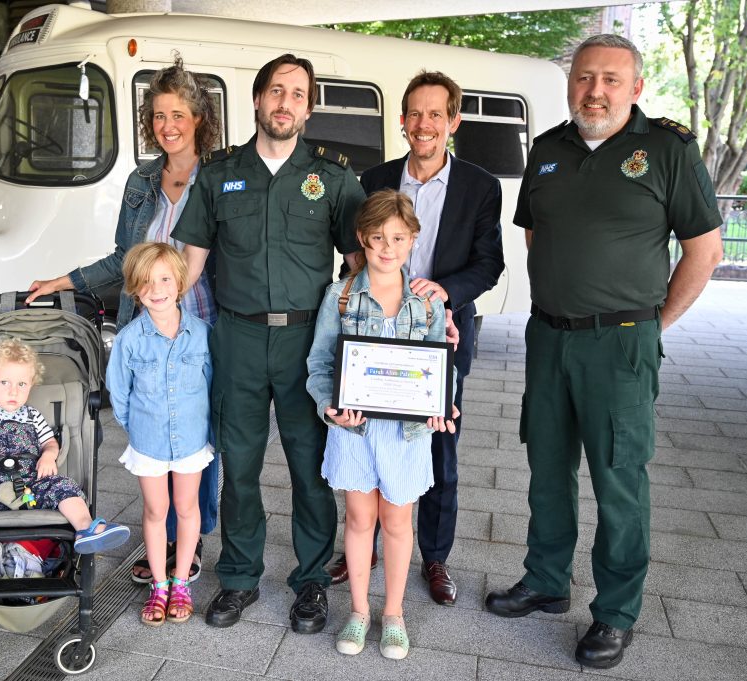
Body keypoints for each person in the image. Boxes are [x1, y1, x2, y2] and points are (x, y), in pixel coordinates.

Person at [484, 34, 723, 669]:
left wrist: (650, 325)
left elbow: (705, 251)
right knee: (548, 468)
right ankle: (546, 581)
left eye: (612, 79)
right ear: (571, 84)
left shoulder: (668, 150)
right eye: (586, 77)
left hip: (622, 344)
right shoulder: (547, 150)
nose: (596, 90)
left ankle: (616, 613)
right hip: (548, 336)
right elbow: (536, 234)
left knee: (619, 479)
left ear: (637, 88)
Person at [171, 54, 366, 633]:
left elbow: (361, 267)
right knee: (242, 465)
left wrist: (401, 319)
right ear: (257, 100)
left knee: (311, 467)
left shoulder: (333, 178)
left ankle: (310, 581)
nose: (285, 102)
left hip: (309, 341)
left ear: (308, 108)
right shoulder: (218, 174)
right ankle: (237, 577)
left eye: (298, 94)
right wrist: (160, 325)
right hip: (237, 336)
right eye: (276, 91)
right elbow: (190, 265)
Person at [27, 56, 220, 585]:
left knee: (202, 437)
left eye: (178, 114)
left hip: (205, 325)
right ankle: (166, 538)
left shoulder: (222, 177)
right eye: (158, 116)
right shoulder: (141, 179)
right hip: (149, 323)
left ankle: (190, 540)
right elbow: (122, 260)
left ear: (199, 118)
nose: (169, 126)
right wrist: (62, 281)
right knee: (159, 432)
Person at [327, 71, 505, 607]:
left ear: (453, 121)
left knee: (437, 447)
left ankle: (434, 556)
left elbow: (489, 264)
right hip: (373, 337)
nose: (424, 125)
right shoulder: (375, 177)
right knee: (365, 439)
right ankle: (366, 544)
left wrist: (441, 293)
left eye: (436, 114)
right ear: (402, 121)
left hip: (438, 338)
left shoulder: (480, 186)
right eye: (415, 114)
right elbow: (353, 250)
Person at [306, 190, 459, 659]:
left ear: (412, 240)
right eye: (377, 238)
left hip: (406, 433)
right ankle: (358, 610)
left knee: (396, 521)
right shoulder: (342, 296)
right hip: (354, 430)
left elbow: (441, 366)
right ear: (362, 240)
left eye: (397, 238)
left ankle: (393, 614)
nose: (387, 248)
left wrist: (442, 405)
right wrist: (329, 407)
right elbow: (319, 364)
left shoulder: (427, 303)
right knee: (358, 518)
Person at [0, 337, 129, 630]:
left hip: (25, 482)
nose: (14, 391)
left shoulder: (33, 416)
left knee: (62, 485)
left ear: (31, 384)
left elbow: (50, 442)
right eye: (4, 382)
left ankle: (87, 528)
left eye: (22, 384)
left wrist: (49, 455)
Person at [105, 242, 213, 627]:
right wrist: (136, 429)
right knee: (155, 511)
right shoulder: (130, 339)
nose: (157, 289)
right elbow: (118, 392)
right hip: (148, 441)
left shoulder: (201, 334)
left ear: (180, 282)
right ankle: (160, 585)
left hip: (191, 439)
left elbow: (211, 384)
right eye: (147, 282)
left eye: (165, 279)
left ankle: (182, 582)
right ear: (135, 288)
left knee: (186, 508)